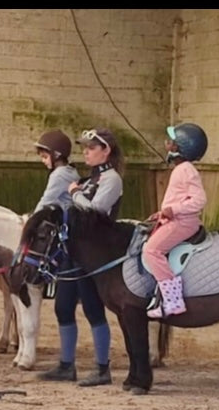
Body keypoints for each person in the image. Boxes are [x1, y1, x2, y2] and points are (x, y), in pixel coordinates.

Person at [37, 127, 124, 387]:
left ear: (105, 151)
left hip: (95, 253)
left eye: (91, 148)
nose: (85, 152)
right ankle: (66, 364)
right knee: (62, 306)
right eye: (84, 148)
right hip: (73, 250)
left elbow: (96, 210)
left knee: (92, 308)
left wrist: (74, 194)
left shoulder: (111, 179)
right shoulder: (89, 179)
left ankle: (102, 368)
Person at [143, 122, 209, 318]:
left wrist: (174, 209)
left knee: (152, 250)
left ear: (180, 147)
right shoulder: (181, 169)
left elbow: (199, 200)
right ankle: (160, 297)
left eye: (171, 141)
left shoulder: (186, 169)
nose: (167, 143)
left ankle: (173, 301)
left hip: (183, 222)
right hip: (176, 219)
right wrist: (163, 212)